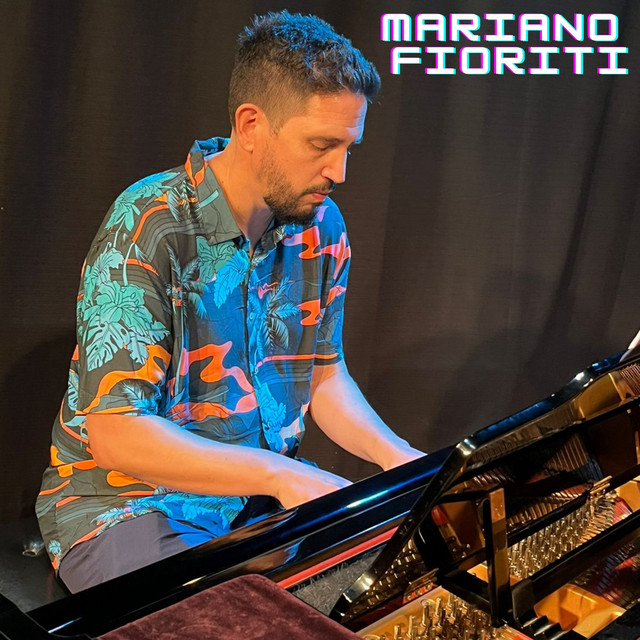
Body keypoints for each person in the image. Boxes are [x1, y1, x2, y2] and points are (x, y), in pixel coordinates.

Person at [36, 10, 424, 593]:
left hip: (252, 500)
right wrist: (279, 474)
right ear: (251, 125)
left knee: (394, 573)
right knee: (224, 617)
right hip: (128, 504)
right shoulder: (149, 225)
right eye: (322, 145)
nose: (339, 171)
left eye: (349, 148)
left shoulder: (321, 226)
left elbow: (322, 375)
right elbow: (117, 433)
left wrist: (398, 457)